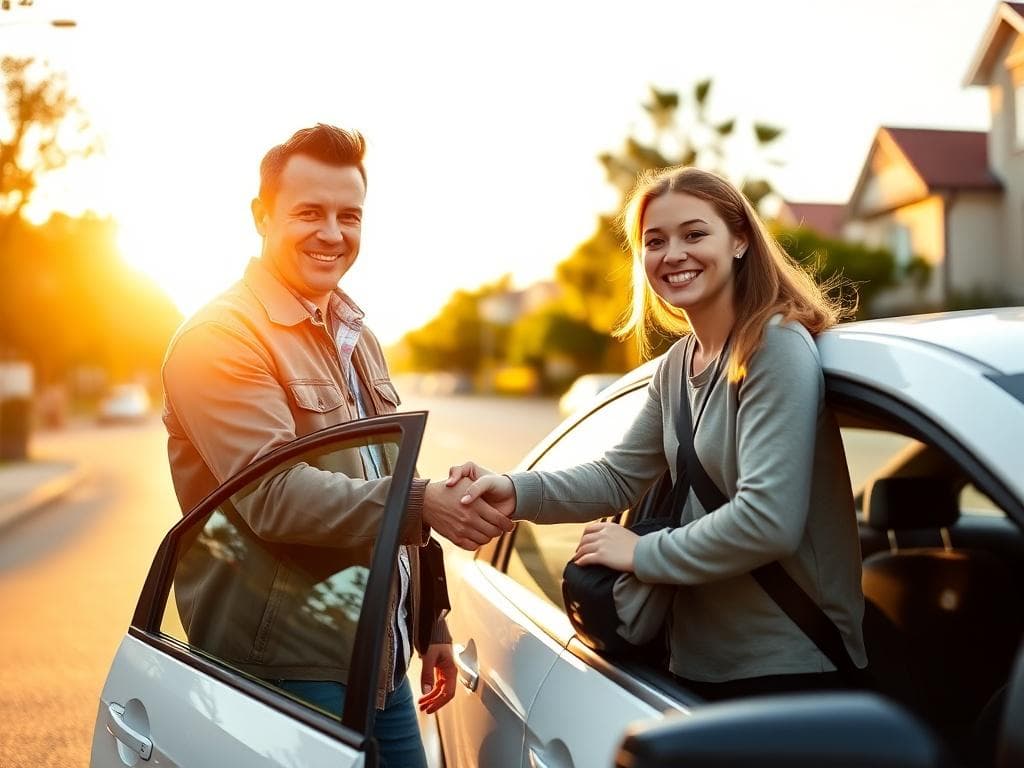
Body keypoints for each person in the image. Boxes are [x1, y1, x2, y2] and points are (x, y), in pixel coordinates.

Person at [162, 123, 513, 766]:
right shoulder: (220, 337)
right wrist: (426, 502)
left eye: (348, 215)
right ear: (261, 217)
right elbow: (273, 495)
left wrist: (428, 612)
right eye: (308, 213)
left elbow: (387, 472)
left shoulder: (355, 333)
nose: (332, 233)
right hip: (289, 664)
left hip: (377, 652)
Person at [448, 166, 867, 701]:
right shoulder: (677, 365)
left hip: (786, 672)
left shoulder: (774, 347)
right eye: (655, 241)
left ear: (740, 240)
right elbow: (619, 477)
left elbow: (768, 521)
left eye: (695, 234)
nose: (673, 254)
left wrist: (639, 553)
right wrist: (514, 488)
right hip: (693, 663)